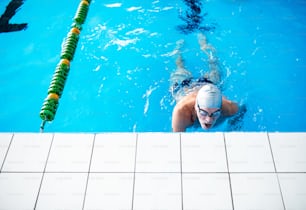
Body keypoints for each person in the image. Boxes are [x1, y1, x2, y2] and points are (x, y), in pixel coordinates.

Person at [170, 34, 239, 132]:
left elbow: (241, 110)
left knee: (214, 64)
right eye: (203, 112)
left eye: (215, 113)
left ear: (220, 108)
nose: (209, 120)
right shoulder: (181, 112)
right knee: (179, 67)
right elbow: (176, 142)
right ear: (195, 106)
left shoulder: (229, 108)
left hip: (208, 84)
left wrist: (233, 127)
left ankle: (204, 42)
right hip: (183, 88)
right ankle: (178, 48)